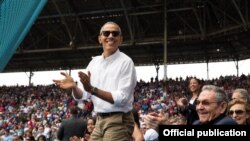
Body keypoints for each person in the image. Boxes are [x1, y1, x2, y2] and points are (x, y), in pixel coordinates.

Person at [53, 21, 137, 141]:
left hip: (119, 120)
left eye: (115, 33)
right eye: (106, 33)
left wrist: (93, 90)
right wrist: (74, 87)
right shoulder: (94, 62)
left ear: (120, 39)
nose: (110, 36)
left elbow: (121, 99)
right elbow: (82, 95)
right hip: (99, 119)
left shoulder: (126, 62)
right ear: (100, 38)